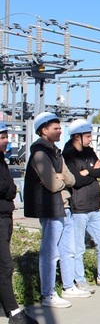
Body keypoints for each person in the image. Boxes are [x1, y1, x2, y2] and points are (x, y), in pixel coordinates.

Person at [24, 112, 91, 309]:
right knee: (50, 253)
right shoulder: (40, 154)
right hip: (50, 207)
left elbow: (72, 178)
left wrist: (63, 176)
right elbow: (53, 184)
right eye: (56, 128)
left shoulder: (56, 152)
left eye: (60, 128)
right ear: (44, 131)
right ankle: (48, 294)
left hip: (64, 207)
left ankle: (69, 286)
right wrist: (61, 177)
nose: (60, 131)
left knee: (67, 250)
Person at [63, 119, 100, 293]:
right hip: (79, 207)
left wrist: (88, 171)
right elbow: (76, 181)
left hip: (94, 206)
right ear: (77, 136)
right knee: (78, 247)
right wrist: (92, 172)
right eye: (88, 136)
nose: (91, 139)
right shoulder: (67, 155)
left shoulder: (89, 152)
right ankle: (80, 280)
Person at [0, 123, 38, 323]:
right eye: (1, 137)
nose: (6, 140)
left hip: (5, 216)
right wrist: (9, 189)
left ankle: (3, 305)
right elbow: (6, 188)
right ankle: (14, 313)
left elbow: (9, 187)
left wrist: (9, 189)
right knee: (5, 265)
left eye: (6, 136)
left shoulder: (2, 160)